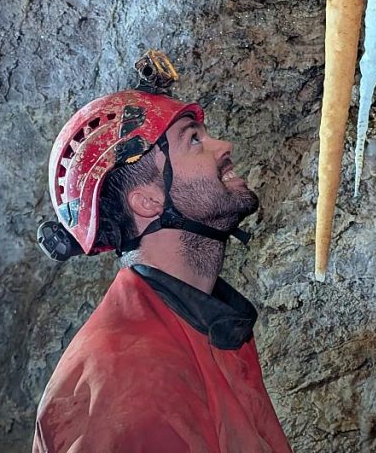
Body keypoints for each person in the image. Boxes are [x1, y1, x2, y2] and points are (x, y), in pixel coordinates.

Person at [33, 51, 294, 453]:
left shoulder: (195, 324)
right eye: (194, 139)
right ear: (148, 201)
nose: (224, 145)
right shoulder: (131, 381)